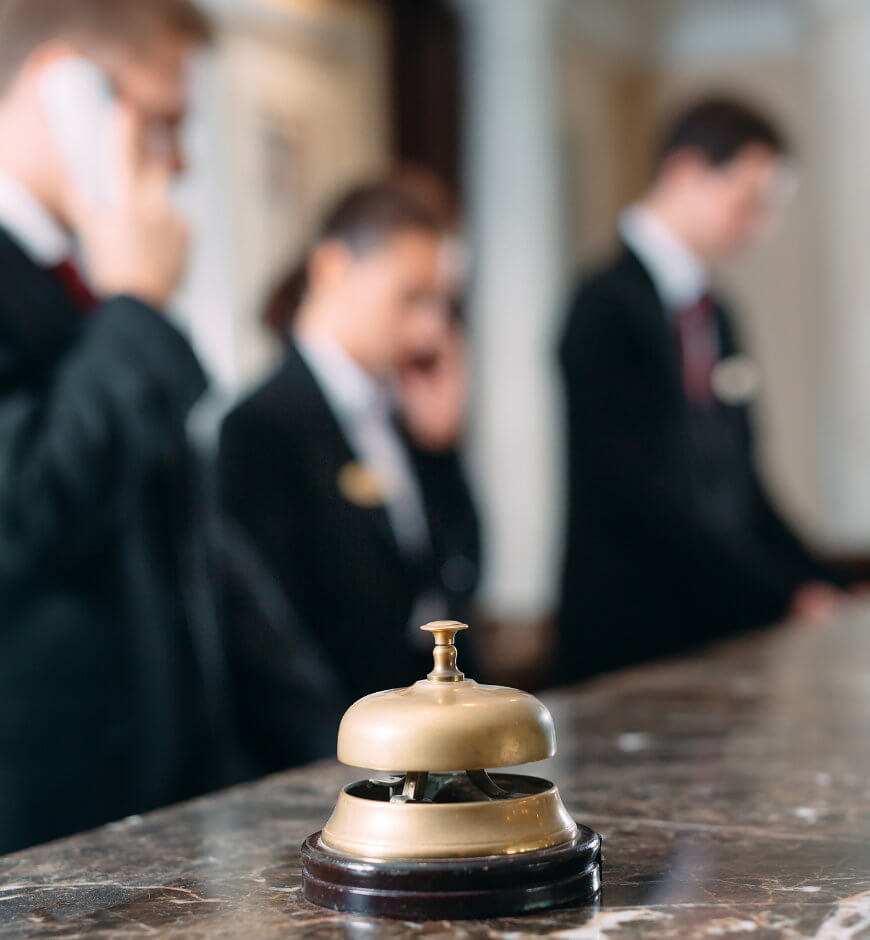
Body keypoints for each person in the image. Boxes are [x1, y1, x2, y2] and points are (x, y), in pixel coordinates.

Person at [0, 0, 240, 855]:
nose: (176, 162)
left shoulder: (86, 282)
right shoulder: (113, 298)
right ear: (63, 89)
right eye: (163, 122)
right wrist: (137, 306)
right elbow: (23, 512)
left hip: (157, 808)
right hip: (39, 834)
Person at [555, 96, 854, 685]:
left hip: (720, 633)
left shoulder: (717, 315)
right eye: (748, 202)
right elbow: (639, 493)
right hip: (633, 641)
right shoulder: (604, 306)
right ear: (687, 171)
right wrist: (781, 595)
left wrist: (821, 582)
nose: (758, 227)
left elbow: (742, 484)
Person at [220, 182, 480, 711]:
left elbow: (457, 579)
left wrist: (442, 450)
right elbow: (269, 634)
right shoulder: (258, 427)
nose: (431, 331)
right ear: (333, 270)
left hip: (426, 725)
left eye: (441, 304)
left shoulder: (406, 411)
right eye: (411, 298)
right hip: (340, 738)